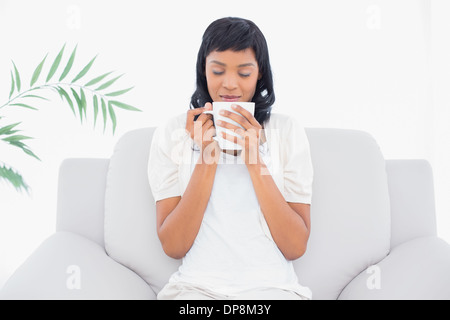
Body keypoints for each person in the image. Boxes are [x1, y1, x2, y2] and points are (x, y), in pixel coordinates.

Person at [148, 17, 314, 300]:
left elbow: (295, 246)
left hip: (274, 291)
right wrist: (207, 156)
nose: (229, 84)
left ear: (260, 74)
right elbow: (174, 245)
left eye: (244, 73)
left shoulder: (287, 131)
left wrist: (254, 160)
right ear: (204, 70)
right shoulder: (174, 133)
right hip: (194, 290)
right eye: (218, 71)